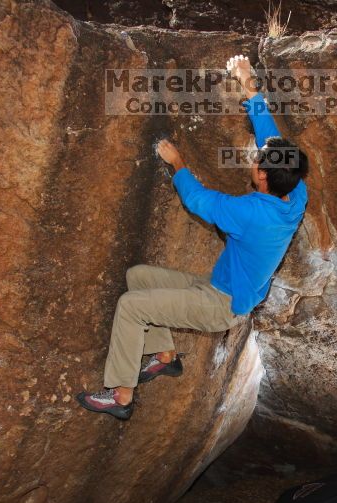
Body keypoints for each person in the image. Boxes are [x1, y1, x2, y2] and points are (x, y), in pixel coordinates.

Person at [76, 56, 308, 420]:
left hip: (221, 305)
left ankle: (121, 396)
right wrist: (248, 82)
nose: (256, 155)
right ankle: (165, 357)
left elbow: (198, 200)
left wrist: (178, 162)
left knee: (131, 306)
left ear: (263, 177)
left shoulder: (252, 214)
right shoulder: (295, 194)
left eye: (259, 159)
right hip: (218, 287)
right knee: (138, 277)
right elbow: (271, 136)